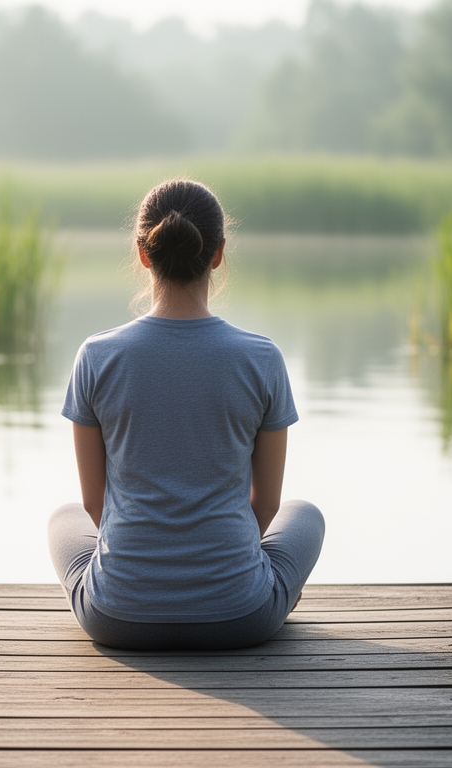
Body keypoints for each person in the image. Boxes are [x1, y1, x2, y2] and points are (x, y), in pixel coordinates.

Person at [48, 178, 325, 650]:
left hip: (117, 617)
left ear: (142, 253)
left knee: (65, 517)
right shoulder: (262, 359)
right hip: (242, 617)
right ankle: (265, 589)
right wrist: (218, 571)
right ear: (218, 254)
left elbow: (96, 507)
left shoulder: (97, 356)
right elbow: (267, 506)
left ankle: (136, 584)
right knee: (306, 515)